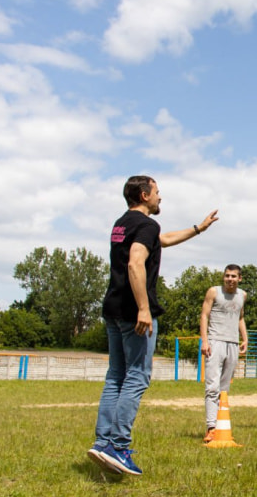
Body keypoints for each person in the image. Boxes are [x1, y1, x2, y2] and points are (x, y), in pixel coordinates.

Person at [87, 175, 217, 476]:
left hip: (113, 309)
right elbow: (135, 263)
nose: (161, 197)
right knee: (136, 377)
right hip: (135, 313)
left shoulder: (122, 224)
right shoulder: (146, 225)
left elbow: (163, 241)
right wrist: (144, 308)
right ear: (145, 195)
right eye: (157, 192)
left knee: (115, 377)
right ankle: (118, 446)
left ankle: (102, 441)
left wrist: (199, 228)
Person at [200, 265, 247, 443]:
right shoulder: (213, 292)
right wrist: (205, 341)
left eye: (234, 276)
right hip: (215, 341)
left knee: (224, 389)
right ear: (223, 277)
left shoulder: (242, 295)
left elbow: (240, 317)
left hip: (233, 343)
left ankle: (221, 426)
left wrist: (245, 338)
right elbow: (204, 315)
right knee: (212, 387)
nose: (230, 279)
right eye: (227, 276)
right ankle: (211, 427)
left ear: (239, 278)